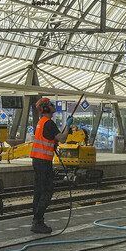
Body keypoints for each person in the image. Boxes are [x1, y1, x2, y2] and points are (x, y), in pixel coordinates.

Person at [30, 97, 73, 234]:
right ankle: (38, 221)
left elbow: (50, 138)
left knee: (38, 191)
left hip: (37, 161)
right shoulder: (48, 123)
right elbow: (62, 138)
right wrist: (67, 126)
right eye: (50, 104)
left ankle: (36, 220)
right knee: (47, 191)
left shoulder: (41, 122)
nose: (53, 106)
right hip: (43, 161)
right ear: (46, 108)